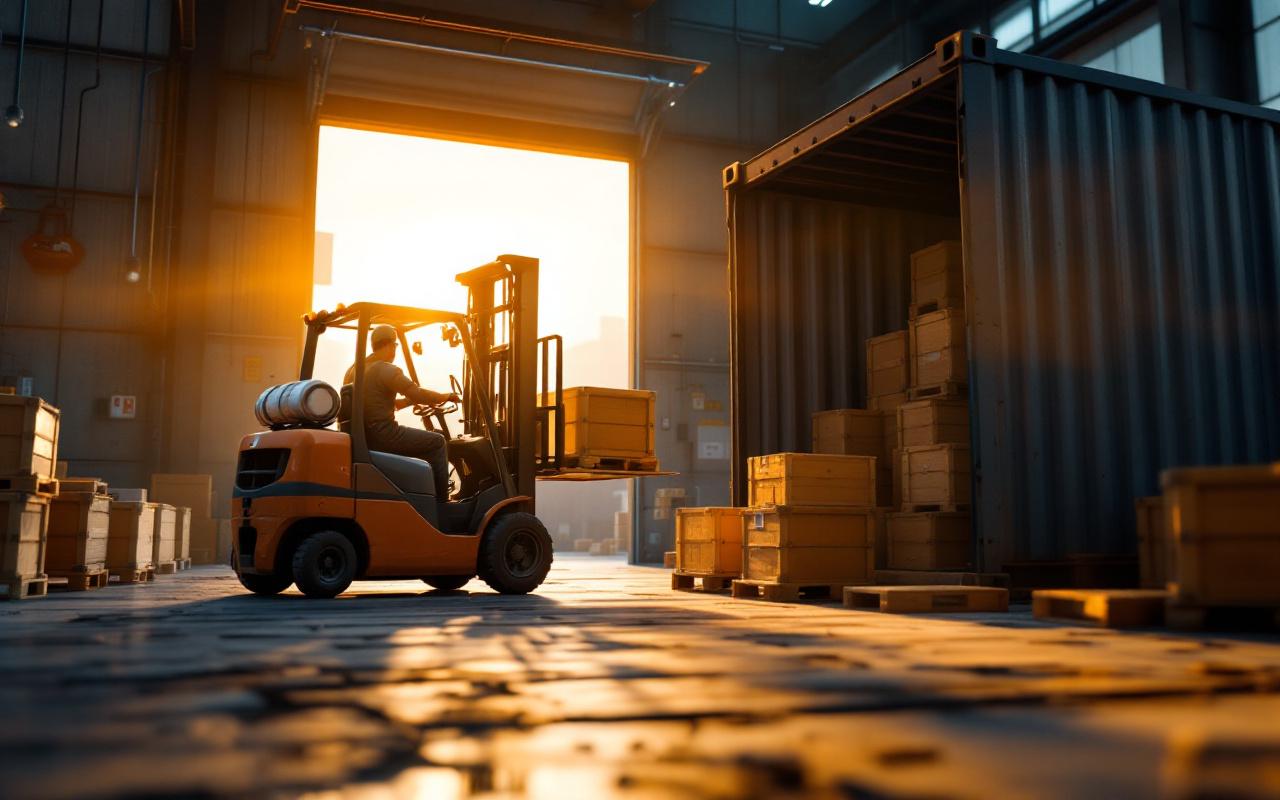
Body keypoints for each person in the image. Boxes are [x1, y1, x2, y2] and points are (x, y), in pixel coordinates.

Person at [344, 325, 460, 498]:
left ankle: (424, 490)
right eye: (396, 346)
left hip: (368, 436)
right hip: (386, 435)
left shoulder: (355, 370)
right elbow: (418, 393)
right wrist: (447, 396)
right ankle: (442, 502)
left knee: (426, 441)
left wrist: (408, 401)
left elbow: (381, 401)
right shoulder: (386, 369)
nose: (395, 350)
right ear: (391, 345)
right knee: (438, 442)